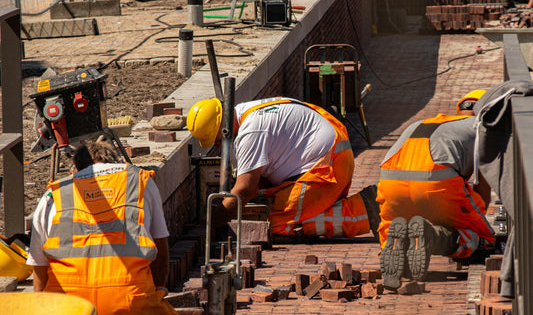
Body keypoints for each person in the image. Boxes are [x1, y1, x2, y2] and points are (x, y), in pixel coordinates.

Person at [27, 139, 192, 315]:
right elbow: (160, 252)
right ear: (115, 162)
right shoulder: (140, 182)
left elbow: (39, 269)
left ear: (75, 169)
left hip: (69, 308)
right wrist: (157, 294)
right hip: (127, 300)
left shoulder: (53, 194)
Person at [186, 96, 380, 239]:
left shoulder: (250, 132)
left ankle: (365, 209)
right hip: (334, 150)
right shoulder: (247, 110)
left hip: (328, 167)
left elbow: (245, 190)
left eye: (218, 141)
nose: (220, 146)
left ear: (223, 128)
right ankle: (323, 208)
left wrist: (212, 223)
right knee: (271, 196)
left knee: (277, 224)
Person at [377, 90, 495, 291]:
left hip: (390, 181)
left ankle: (397, 244)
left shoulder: (427, 122)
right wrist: (473, 222)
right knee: (483, 239)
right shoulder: (483, 128)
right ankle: (433, 236)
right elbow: (482, 189)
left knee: (396, 224)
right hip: (436, 181)